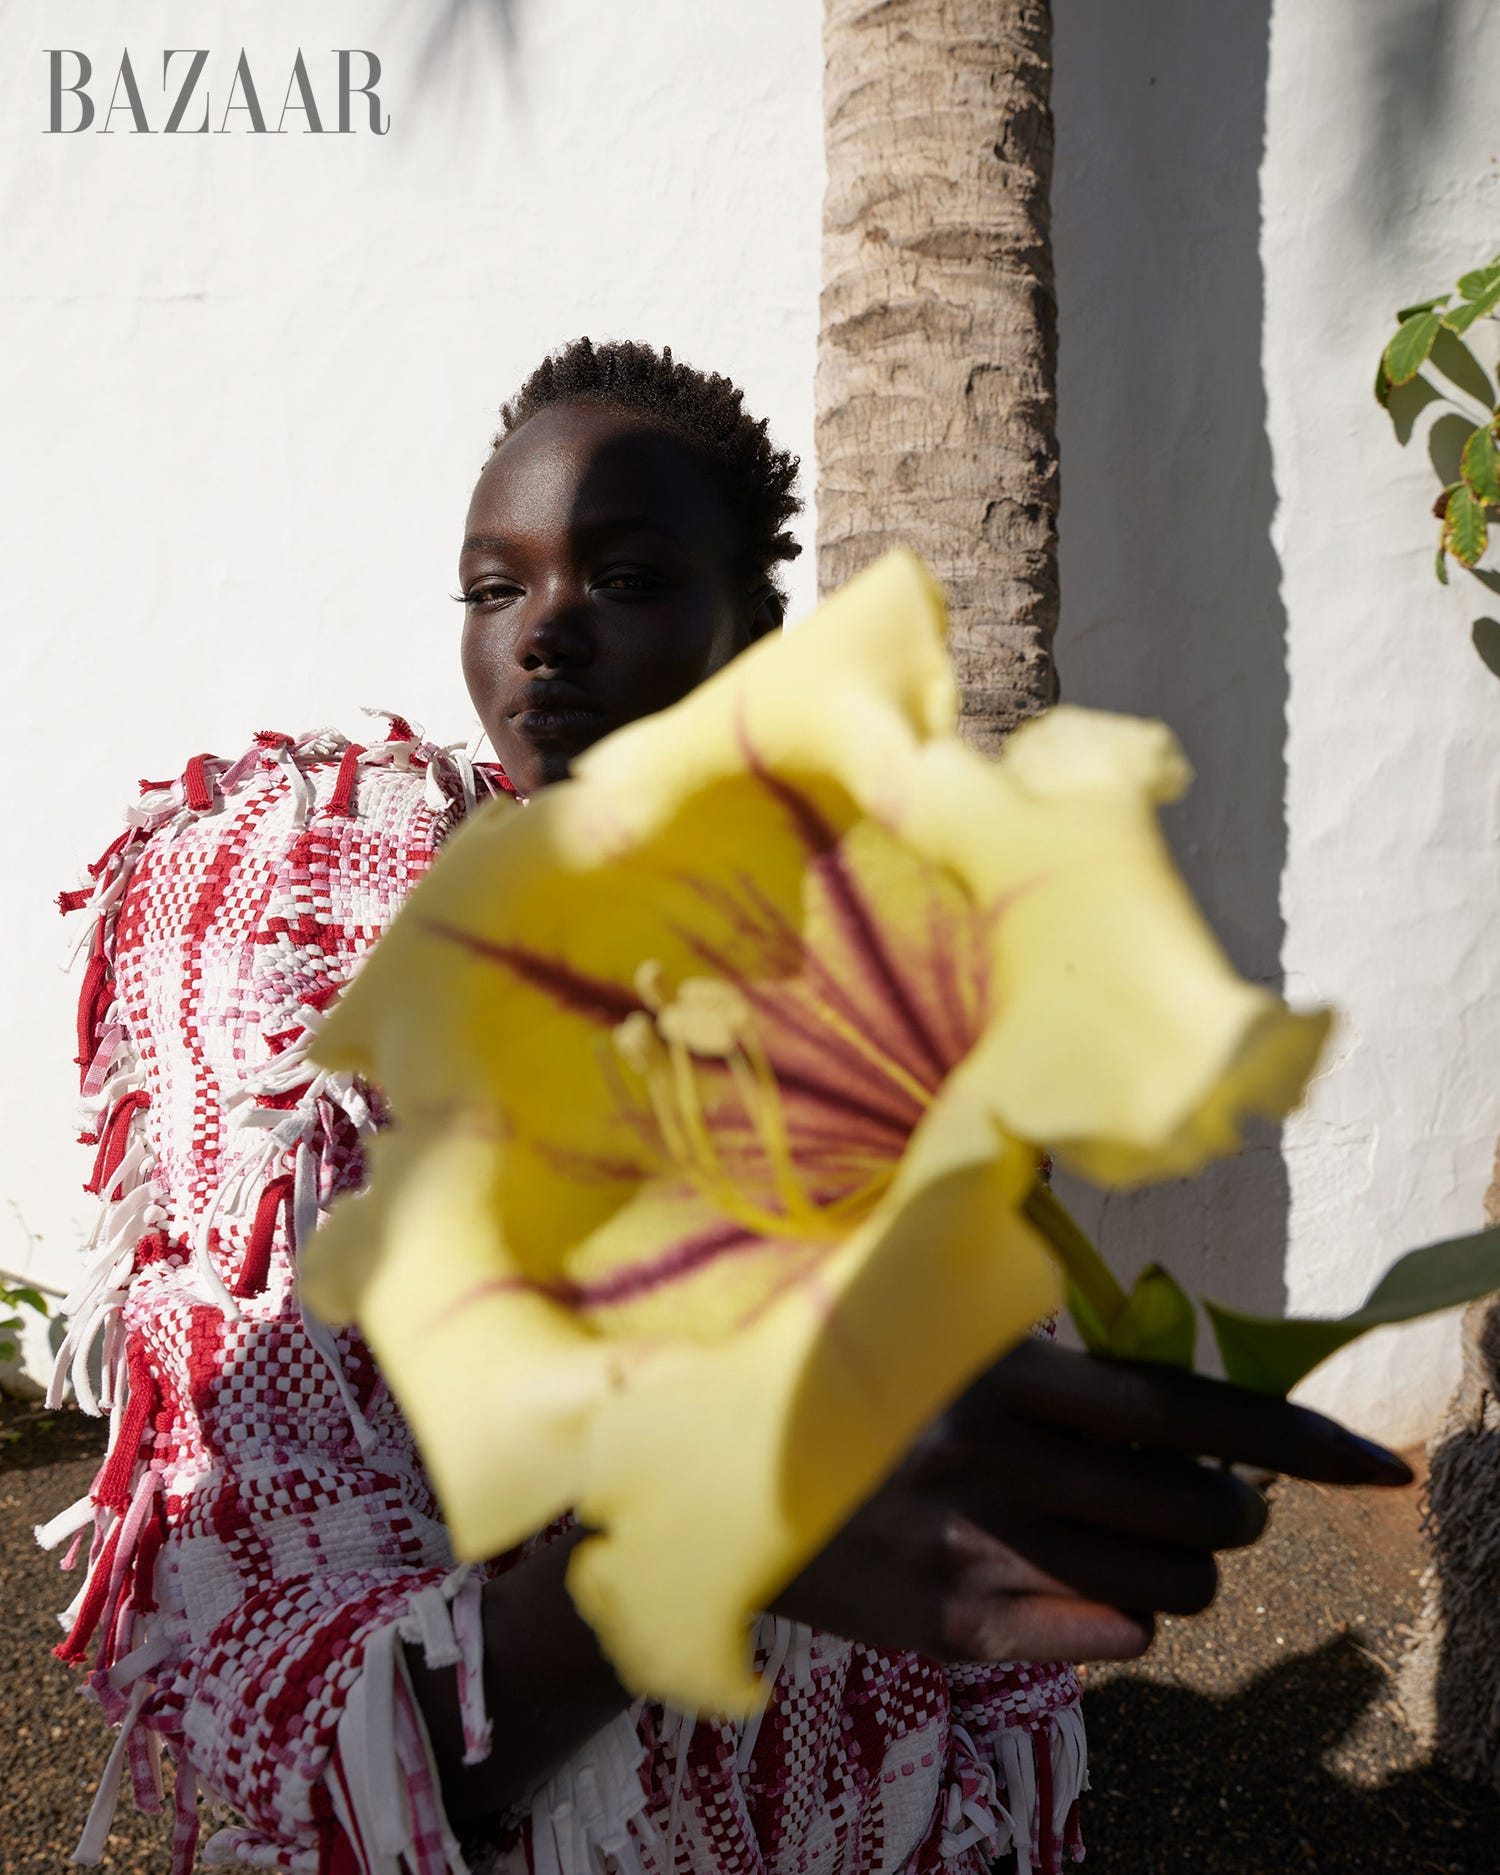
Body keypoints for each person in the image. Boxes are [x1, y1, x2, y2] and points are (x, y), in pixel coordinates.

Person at [42, 338, 1412, 1875]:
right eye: (494, 590)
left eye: (624, 579)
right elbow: (300, 1710)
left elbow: (969, 1556)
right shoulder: (301, 914)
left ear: (751, 633)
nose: (544, 637)